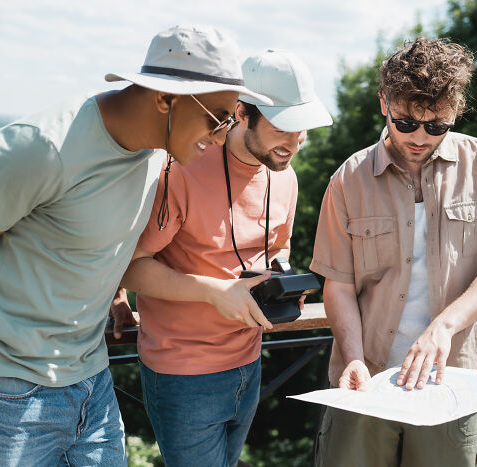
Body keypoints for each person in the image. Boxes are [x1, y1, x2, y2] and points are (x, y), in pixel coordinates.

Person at [0, 25, 271, 466]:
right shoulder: (42, 146)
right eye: (217, 118)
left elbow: (105, 235)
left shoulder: (160, 153)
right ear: (165, 98)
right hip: (3, 390)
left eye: (231, 120)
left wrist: (117, 294)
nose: (221, 137)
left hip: (93, 381)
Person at [310, 37, 477, 467]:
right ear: (383, 103)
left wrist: (443, 328)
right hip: (364, 382)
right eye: (406, 122)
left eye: (437, 126)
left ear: (455, 113)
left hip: (452, 382)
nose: (419, 137)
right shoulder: (347, 179)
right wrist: (353, 358)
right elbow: (338, 284)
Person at [111, 49, 332, 466]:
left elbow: (278, 249)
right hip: (183, 370)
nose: (295, 143)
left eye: (303, 128)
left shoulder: (285, 177)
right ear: (242, 112)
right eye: (284, 126)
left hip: (249, 362)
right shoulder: (183, 165)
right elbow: (128, 264)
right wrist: (214, 292)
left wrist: (280, 284)